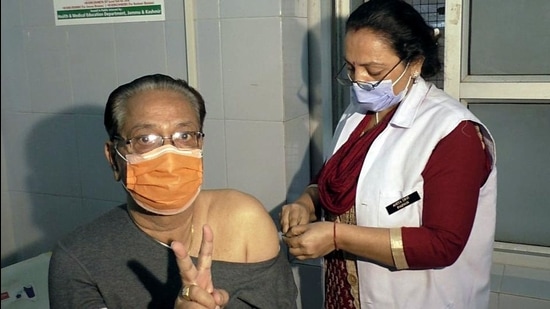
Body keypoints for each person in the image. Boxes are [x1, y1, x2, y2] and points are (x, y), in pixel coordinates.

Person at [280, 0, 497, 308]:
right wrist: (307, 201)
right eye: (352, 67)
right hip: (345, 294)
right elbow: (338, 177)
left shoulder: (454, 133)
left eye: (374, 70)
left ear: (415, 63)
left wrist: (337, 236)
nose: (359, 80)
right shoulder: (358, 114)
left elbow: (442, 244)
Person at [48, 74, 298, 309]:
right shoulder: (79, 260)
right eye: (145, 138)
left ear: (201, 144)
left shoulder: (244, 220)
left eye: (184, 135)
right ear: (114, 158)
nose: (169, 156)